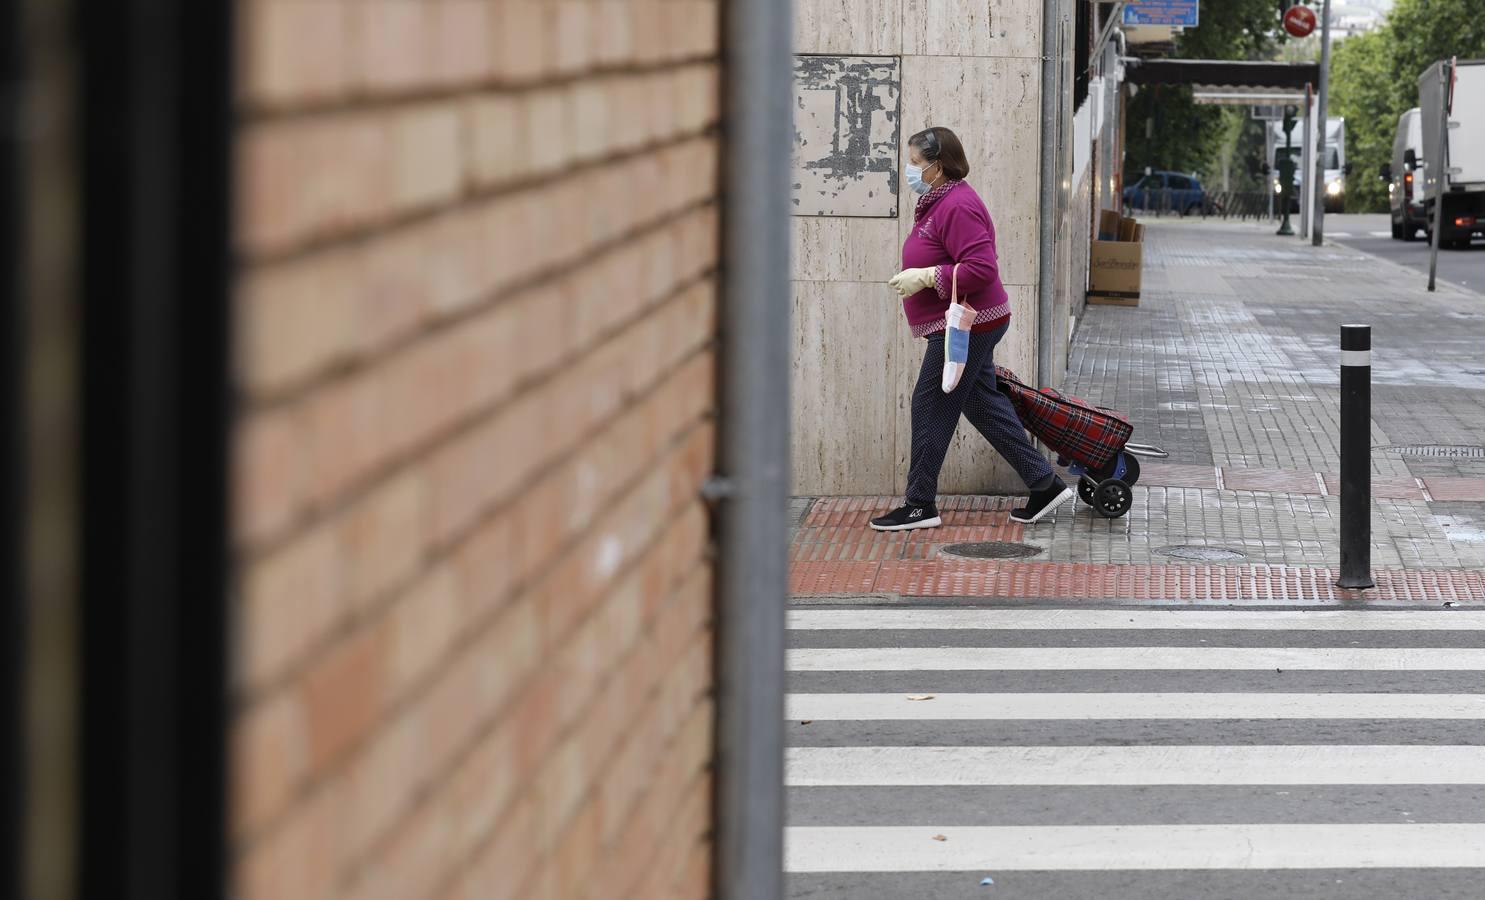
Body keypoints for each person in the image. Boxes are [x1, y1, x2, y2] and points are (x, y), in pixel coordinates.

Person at [870, 126, 1073, 532]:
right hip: (971, 320)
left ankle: (919, 504)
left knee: (931, 405)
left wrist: (928, 277)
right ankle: (1044, 484)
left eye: (914, 163)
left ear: (938, 166)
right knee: (981, 403)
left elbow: (982, 269)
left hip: (968, 325)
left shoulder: (958, 205)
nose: (909, 170)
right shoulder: (939, 201)